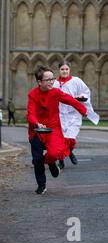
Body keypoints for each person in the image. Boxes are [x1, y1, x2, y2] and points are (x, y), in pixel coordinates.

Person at [27, 65, 87, 195]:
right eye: (47, 79)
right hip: (36, 130)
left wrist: (83, 110)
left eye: (52, 79)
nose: (51, 82)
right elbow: (30, 113)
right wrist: (37, 123)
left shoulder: (55, 92)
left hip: (53, 128)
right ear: (39, 82)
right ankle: (41, 185)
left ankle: (51, 162)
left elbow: (70, 100)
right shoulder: (32, 95)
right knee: (37, 159)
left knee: (54, 153)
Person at [53, 62, 100, 169]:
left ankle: (69, 152)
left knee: (71, 138)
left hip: (74, 114)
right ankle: (61, 160)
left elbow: (86, 91)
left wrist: (81, 96)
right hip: (60, 115)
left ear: (69, 70)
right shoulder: (55, 84)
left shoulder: (76, 81)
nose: (64, 71)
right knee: (61, 139)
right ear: (59, 70)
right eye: (62, 69)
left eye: (66, 69)